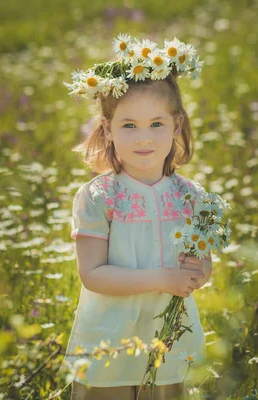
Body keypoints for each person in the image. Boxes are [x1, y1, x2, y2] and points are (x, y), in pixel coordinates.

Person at [62, 33, 210, 400]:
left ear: (176, 127)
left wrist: (197, 273)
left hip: (169, 337)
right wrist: (162, 278)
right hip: (109, 339)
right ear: (107, 130)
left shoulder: (191, 197)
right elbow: (92, 274)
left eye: (156, 124)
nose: (144, 138)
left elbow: (203, 265)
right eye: (129, 125)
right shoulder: (99, 196)